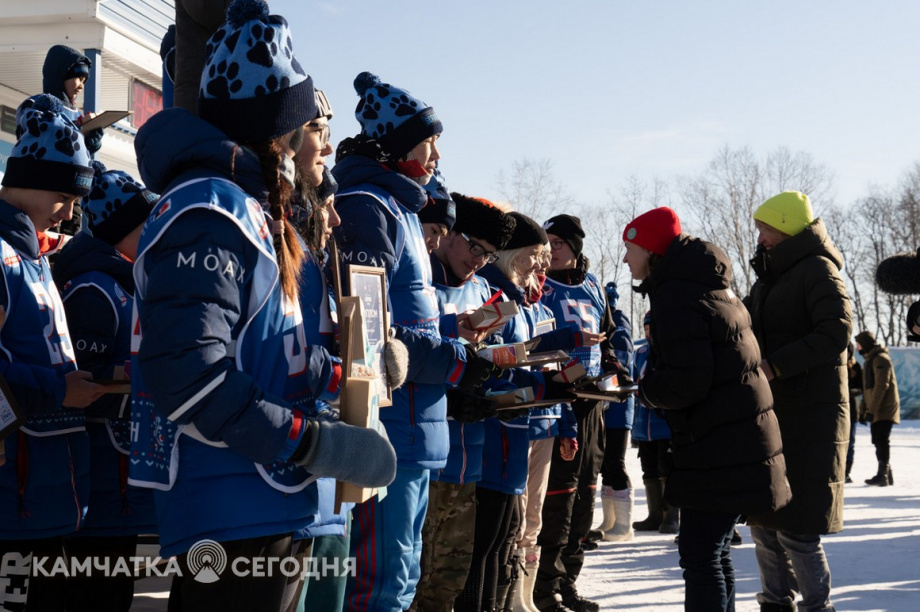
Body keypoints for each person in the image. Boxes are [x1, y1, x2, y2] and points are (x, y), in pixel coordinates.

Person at [129, 2, 396, 609]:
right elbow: (189, 376)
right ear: (279, 132)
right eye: (305, 127)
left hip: (270, 503)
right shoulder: (209, 210)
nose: (314, 145)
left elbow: (280, 355)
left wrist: (358, 373)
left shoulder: (260, 212)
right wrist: (313, 444)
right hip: (229, 515)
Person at [332, 72, 498, 612]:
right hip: (391, 428)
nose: (436, 154)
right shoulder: (368, 208)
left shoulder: (398, 208)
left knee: (402, 575)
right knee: (381, 582)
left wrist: (455, 330)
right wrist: (455, 360)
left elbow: (402, 315)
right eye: (427, 141)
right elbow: (363, 325)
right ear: (396, 144)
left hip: (416, 426)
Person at [623, 206, 791, 612]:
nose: (626, 258)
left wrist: (642, 390)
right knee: (713, 554)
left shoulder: (678, 296)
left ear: (651, 249)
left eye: (630, 248)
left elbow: (688, 381)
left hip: (720, 447)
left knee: (700, 557)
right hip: (733, 441)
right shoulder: (705, 285)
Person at [0, 93, 105, 611]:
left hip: (44, 492)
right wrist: (60, 388)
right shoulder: (3, 258)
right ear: (32, 180)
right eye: (64, 195)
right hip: (13, 495)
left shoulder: (35, 258)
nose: (70, 211)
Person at [51, 160, 159, 612]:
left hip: (120, 485)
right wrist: (133, 373)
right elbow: (81, 376)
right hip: (101, 483)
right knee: (94, 594)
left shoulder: (123, 282)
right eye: (144, 225)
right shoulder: (96, 287)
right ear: (120, 231)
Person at [744, 191, 852, 612]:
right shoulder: (772, 277)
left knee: (796, 528)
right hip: (775, 414)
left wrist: (775, 366)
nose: (760, 237)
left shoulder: (819, 272)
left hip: (810, 418)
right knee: (764, 523)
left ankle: (816, 606)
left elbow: (835, 333)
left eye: (765, 229)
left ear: (786, 228)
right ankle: (774, 603)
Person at [412, 192, 516, 612]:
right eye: (475, 248)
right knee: (412, 573)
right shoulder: (418, 285)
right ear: (450, 233)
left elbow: (506, 355)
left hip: (466, 460)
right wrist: (450, 398)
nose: (478, 260)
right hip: (420, 454)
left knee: (449, 577)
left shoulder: (487, 293)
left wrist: (492, 382)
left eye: (489, 255)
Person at [535, 213, 619, 612]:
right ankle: (543, 585)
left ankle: (569, 579)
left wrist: (615, 368)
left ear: (575, 248)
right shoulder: (541, 286)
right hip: (557, 401)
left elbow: (609, 339)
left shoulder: (593, 287)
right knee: (558, 497)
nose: (552, 250)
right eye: (547, 242)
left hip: (592, 406)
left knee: (585, 495)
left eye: (560, 243)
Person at [592, 281, 636, 543]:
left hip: (618, 407)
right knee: (607, 463)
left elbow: (621, 364)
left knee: (616, 462)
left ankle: (623, 523)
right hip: (605, 407)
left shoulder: (618, 324)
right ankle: (610, 520)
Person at [629, 312, 674, 534]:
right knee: (649, 469)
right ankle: (654, 515)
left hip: (663, 423)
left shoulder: (668, 351)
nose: (648, 332)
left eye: (651, 328)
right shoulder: (641, 352)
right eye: (646, 328)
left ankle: (670, 516)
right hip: (643, 424)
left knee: (666, 468)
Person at [854, 331, 900, 487]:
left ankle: (883, 475)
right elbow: (867, 389)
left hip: (884, 408)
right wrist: (863, 411)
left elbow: (881, 386)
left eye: (859, 345)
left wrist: (871, 410)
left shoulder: (881, 359)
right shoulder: (870, 360)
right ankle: (887, 474)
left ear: (866, 344)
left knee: (881, 439)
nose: (857, 348)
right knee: (877, 440)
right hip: (876, 408)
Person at [844, 342, 863, 484]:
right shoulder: (835, 366)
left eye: (848, 352)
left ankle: (846, 472)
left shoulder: (856, 367)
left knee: (850, 443)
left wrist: (848, 392)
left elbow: (860, 388)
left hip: (851, 410)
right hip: (837, 411)